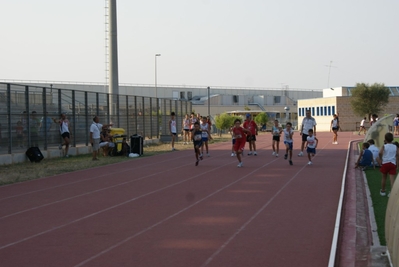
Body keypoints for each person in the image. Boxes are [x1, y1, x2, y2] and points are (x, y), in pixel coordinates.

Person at [378, 132, 398, 197]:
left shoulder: (384, 146)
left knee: (384, 178)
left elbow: (380, 153)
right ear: (392, 139)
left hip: (385, 163)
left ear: (385, 139)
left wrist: (381, 159)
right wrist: (397, 163)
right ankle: (391, 193)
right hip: (392, 163)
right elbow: (398, 155)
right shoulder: (395, 146)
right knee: (392, 179)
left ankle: (383, 191)